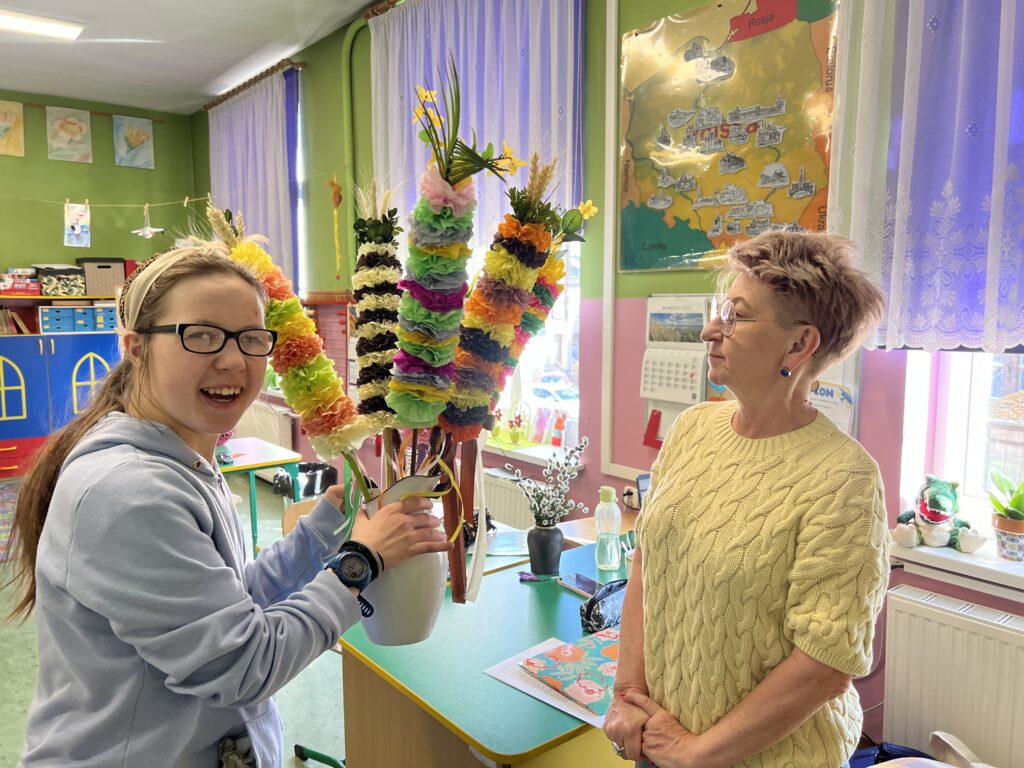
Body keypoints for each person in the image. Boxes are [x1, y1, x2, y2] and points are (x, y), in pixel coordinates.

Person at [7, 244, 452, 767]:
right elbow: (244, 664)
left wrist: (321, 532)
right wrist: (361, 563)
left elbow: (232, 605)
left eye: (251, 338)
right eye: (201, 335)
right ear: (135, 348)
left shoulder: (184, 461)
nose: (234, 360)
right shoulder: (128, 492)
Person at [604, 232, 890, 768]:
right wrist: (627, 695)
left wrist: (697, 753)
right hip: (660, 738)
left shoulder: (844, 479)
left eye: (736, 316)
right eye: (721, 311)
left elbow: (825, 663)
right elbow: (648, 560)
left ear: (799, 345)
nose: (711, 330)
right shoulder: (692, 428)